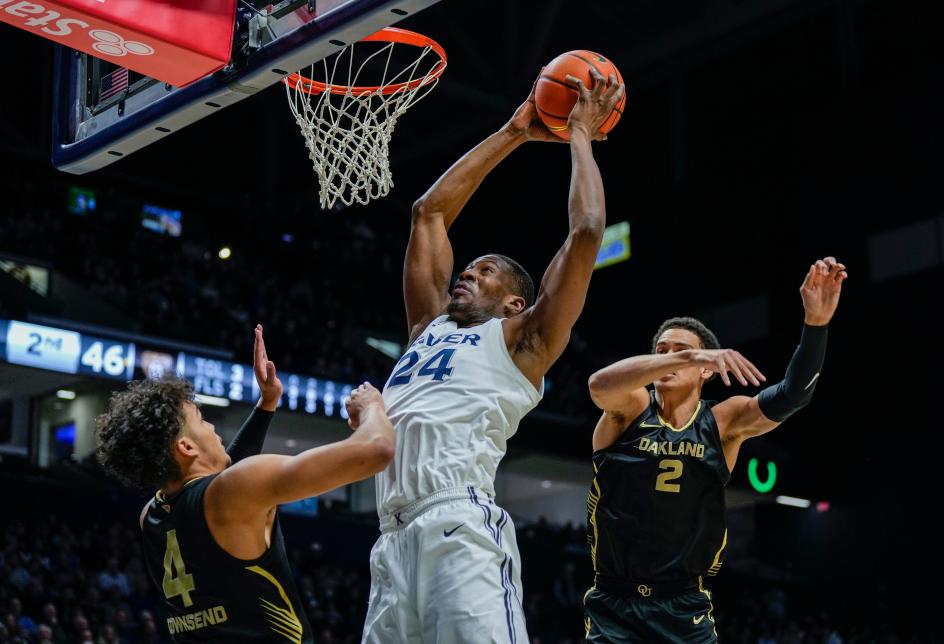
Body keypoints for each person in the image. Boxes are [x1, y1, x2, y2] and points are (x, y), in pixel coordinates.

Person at [361, 70, 624, 644]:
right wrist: (514, 131)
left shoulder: (522, 340)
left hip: (459, 525)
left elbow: (587, 230)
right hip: (390, 539)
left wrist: (579, 132)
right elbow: (428, 213)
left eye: (483, 271)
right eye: (467, 266)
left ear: (514, 302)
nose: (465, 272)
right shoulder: (426, 328)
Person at [583, 258, 847, 643]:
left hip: (684, 606)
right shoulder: (630, 408)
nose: (668, 357)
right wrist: (687, 355)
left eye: (683, 351)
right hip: (614, 605)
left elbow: (794, 396)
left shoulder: (723, 421)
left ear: (708, 369)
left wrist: (816, 325)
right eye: (661, 351)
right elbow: (597, 385)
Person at [96, 325, 395, 643]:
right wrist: (372, 407)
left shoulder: (152, 515)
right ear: (186, 448)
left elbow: (223, 483)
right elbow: (376, 451)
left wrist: (267, 404)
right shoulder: (231, 493)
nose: (211, 426)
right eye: (201, 419)